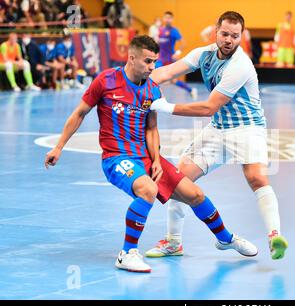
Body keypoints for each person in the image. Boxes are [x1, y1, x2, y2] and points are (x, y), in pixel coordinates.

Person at [44, 35, 257, 273]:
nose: (152, 67)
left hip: (146, 158)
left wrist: (156, 160)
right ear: (131, 57)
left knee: (194, 194)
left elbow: (151, 127)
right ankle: (127, 253)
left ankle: (225, 239)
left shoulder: (152, 89)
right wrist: (59, 146)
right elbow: (79, 113)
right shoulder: (106, 80)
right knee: (148, 189)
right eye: (147, 61)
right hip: (117, 158)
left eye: (154, 62)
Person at [146, 11, 288, 260]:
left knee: (255, 176)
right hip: (218, 128)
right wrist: (135, 83)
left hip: (248, 128)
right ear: (216, 31)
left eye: (235, 36)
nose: (229, 40)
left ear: (241, 37)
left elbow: (208, 107)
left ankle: (274, 236)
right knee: (178, 181)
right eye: (225, 34)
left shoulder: (240, 66)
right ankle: (174, 242)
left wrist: (165, 107)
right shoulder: (204, 54)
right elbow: (167, 72)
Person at [158, 11, 197, 100]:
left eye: (169, 18)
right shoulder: (160, 30)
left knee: (173, 81)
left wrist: (177, 53)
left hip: (169, 59)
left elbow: (183, 43)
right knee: (153, 77)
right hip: (160, 59)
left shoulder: (174, 30)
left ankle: (190, 90)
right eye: (166, 18)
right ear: (163, 18)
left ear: (172, 19)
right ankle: (156, 98)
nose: (167, 20)